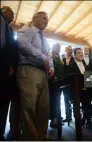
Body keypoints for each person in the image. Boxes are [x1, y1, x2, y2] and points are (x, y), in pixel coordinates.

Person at [17, 11, 54, 140]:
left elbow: (49, 55)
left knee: (44, 108)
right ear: (35, 18)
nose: (46, 21)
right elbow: (22, 44)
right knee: (29, 108)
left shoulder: (44, 38)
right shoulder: (27, 30)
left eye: (47, 19)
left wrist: (52, 67)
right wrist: (42, 56)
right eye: (44, 18)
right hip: (29, 71)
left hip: (43, 74)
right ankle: (31, 138)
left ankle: (41, 137)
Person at [67, 48, 92, 129]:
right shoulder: (70, 66)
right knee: (86, 99)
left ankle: (85, 117)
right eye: (79, 53)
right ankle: (88, 119)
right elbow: (70, 81)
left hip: (88, 90)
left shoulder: (86, 66)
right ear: (74, 55)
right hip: (77, 92)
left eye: (82, 53)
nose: (81, 54)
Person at [0, 6, 19, 141]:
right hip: (3, 69)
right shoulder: (1, 22)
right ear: (3, 12)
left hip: (7, 71)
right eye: (11, 13)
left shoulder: (9, 28)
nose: (13, 16)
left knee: (4, 102)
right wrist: (7, 65)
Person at [49, 43, 65, 128]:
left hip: (61, 83)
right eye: (56, 47)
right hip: (53, 83)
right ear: (53, 47)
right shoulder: (51, 56)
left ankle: (58, 118)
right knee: (53, 101)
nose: (58, 48)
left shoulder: (60, 57)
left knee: (58, 102)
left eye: (59, 47)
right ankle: (53, 120)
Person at [61, 46, 74, 123]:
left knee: (74, 99)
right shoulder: (62, 60)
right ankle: (68, 116)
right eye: (69, 50)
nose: (70, 51)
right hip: (65, 83)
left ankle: (77, 116)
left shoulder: (74, 59)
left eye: (71, 50)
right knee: (66, 100)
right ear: (65, 51)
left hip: (73, 82)